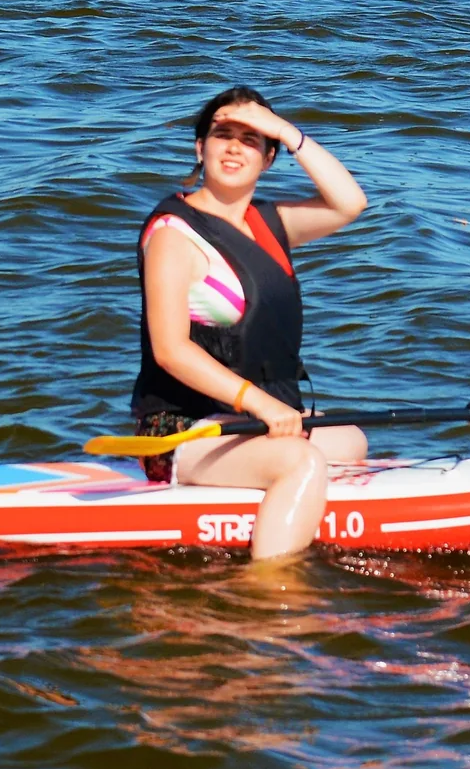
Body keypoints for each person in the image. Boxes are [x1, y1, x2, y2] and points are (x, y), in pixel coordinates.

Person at [132, 86, 369, 561]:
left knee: (351, 441)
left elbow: (350, 203)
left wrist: (284, 130)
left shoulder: (270, 223)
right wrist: (259, 403)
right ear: (201, 148)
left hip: (250, 420)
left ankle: (271, 505)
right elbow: (170, 350)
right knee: (304, 462)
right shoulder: (173, 237)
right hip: (183, 430)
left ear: (268, 157)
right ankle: (268, 589)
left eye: (251, 138)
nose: (235, 147)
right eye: (222, 134)